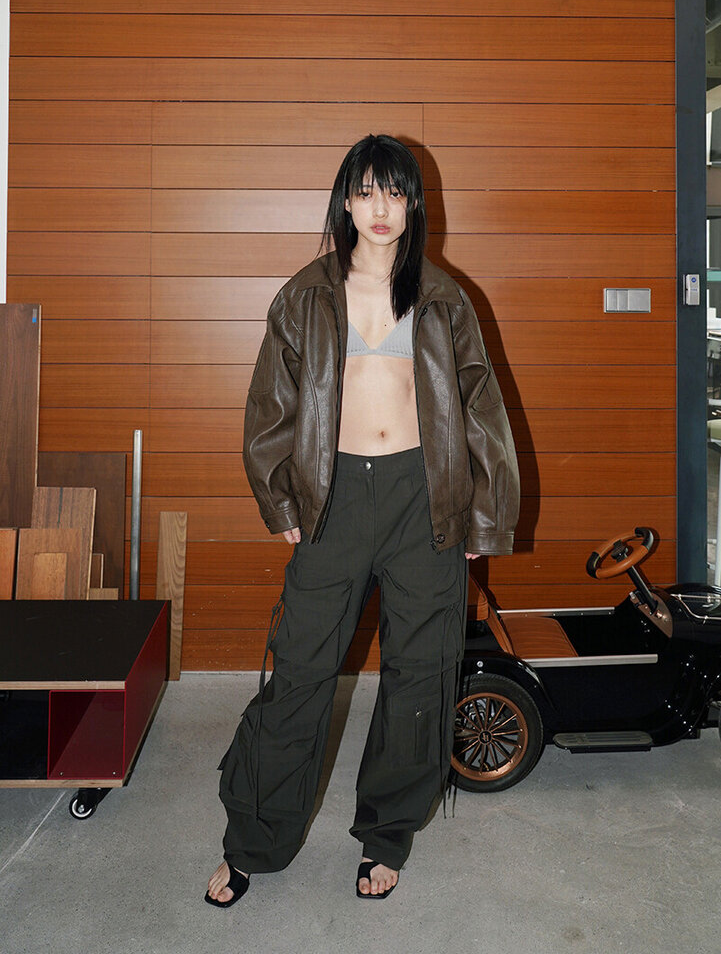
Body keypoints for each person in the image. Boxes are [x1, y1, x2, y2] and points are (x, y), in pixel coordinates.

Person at [205, 134, 519, 906]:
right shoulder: (305, 297)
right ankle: (252, 840)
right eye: (367, 191)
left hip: (423, 501)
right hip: (335, 500)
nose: (381, 208)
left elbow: (482, 414)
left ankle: (386, 836)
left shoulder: (444, 299)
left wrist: (480, 521)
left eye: (395, 192)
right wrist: (280, 500)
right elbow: (269, 407)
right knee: (300, 673)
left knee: (420, 674)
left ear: (413, 204)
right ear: (345, 201)